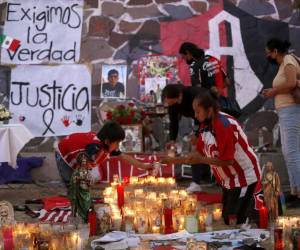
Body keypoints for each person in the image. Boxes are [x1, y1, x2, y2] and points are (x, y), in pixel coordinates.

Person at [162, 88, 261, 225]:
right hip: (229, 179)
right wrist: (173, 160)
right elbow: (199, 153)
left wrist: (201, 160)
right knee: (227, 218)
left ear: (209, 110)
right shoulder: (205, 125)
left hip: (243, 176)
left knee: (233, 219)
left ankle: (255, 217)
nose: (195, 116)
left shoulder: (223, 125)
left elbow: (227, 160)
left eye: (198, 112)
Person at [262, 38, 300, 207]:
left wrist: (274, 91)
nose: (267, 56)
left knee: (291, 153)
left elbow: (292, 83)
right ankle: (295, 190)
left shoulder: (288, 61)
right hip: (288, 111)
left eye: (268, 52)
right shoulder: (287, 61)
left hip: (291, 111)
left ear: (275, 51)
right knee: (289, 152)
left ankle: (298, 192)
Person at [56, 121, 150, 187]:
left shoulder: (105, 145)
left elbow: (123, 157)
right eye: (117, 143)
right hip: (64, 155)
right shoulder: (94, 148)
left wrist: (144, 166)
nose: (118, 146)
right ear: (107, 141)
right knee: (72, 186)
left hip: (76, 154)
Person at [162, 84, 211, 193]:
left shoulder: (194, 95)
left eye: (171, 102)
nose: (171, 105)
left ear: (179, 96)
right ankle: (197, 182)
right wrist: (172, 140)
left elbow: (200, 116)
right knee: (196, 147)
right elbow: (173, 122)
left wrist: (197, 133)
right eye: (169, 103)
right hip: (199, 122)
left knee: (202, 147)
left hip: (210, 118)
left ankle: (211, 179)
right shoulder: (173, 103)